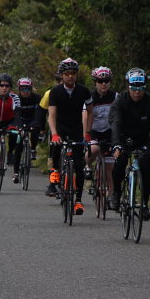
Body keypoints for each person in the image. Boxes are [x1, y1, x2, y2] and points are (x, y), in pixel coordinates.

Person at [109, 68, 150, 221]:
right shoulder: (120, 100)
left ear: (145, 87)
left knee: (145, 167)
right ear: (128, 87)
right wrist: (117, 144)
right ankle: (117, 193)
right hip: (124, 138)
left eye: (141, 88)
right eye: (133, 88)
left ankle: (144, 204)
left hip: (142, 139)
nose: (137, 92)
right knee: (120, 162)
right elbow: (116, 123)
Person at [48, 58, 94, 214]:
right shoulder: (55, 92)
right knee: (56, 144)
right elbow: (52, 116)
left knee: (79, 166)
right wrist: (54, 134)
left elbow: (90, 111)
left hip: (76, 129)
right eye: (67, 73)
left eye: (73, 73)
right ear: (61, 75)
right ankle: (55, 169)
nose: (70, 76)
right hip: (60, 126)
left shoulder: (84, 91)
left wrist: (87, 133)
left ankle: (79, 201)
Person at [83, 67, 117, 203]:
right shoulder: (90, 97)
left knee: (110, 168)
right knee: (94, 149)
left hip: (108, 132)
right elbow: (85, 116)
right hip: (93, 130)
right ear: (95, 82)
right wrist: (86, 134)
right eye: (100, 81)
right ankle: (89, 166)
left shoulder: (115, 96)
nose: (104, 84)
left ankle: (111, 197)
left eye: (106, 81)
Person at [14, 77, 42, 181]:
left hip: (32, 119)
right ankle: (16, 173)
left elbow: (39, 113)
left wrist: (36, 124)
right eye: (23, 89)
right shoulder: (16, 99)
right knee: (18, 147)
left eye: (28, 89)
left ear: (31, 89)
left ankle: (33, 148)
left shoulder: (36, 98)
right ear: (19, 90)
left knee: (35, 129)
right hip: (21, 120)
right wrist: (19, 127)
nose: (25, 92)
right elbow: (15, 115)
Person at [39, 72, 62, 190]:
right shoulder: (49, 93)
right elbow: (42, 112)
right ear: (57, 82)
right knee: (52, 152)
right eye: (60, 81)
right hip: (55, 127)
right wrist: (42, 129)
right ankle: (52, 183)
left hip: (70, 126)